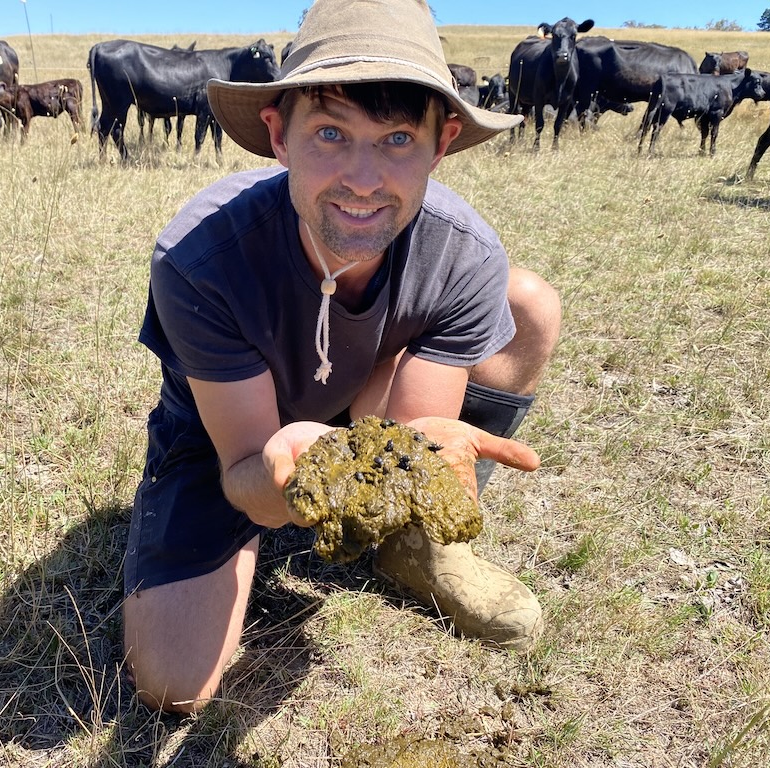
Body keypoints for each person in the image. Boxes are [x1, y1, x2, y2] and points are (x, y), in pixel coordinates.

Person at [124, 0, 562, 714]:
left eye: (395, 139)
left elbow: (410, 437)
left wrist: (410, 469)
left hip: (362, 394)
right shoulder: (200, 258)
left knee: (529, 304)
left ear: (441, 143)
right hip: (223, 440)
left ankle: (410, 547)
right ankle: (229, 540)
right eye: (330, 132)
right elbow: (241, 469)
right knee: (175, 683)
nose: (362, 178)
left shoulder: (463, 254)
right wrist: (281, 476)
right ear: (279, 136)